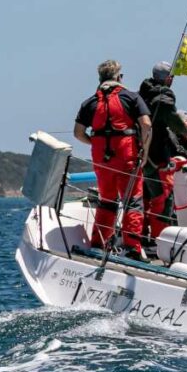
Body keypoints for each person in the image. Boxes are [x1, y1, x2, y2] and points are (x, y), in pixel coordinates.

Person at [73, 60, 152, 257]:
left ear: (100, 79)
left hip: (102, 160)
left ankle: (98, 243)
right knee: (133, 201)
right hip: (127, 156)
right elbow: (146, 124)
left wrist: (95, 142)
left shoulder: (89, 102)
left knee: (106, 200)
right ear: (118, 77)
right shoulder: (131, 97)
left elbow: (78, 133)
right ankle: (132, 248)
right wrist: (145, 151)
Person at [137, 61, 187, 239]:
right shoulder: (164, 99)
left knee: (143, 196)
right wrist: (185, 128)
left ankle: (139, 235)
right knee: (163, 198)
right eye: (172, 77)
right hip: (157, 155)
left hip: (140, 154)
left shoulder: (141, 94)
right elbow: (176, 124)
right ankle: (159, 240)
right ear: (168, 78)